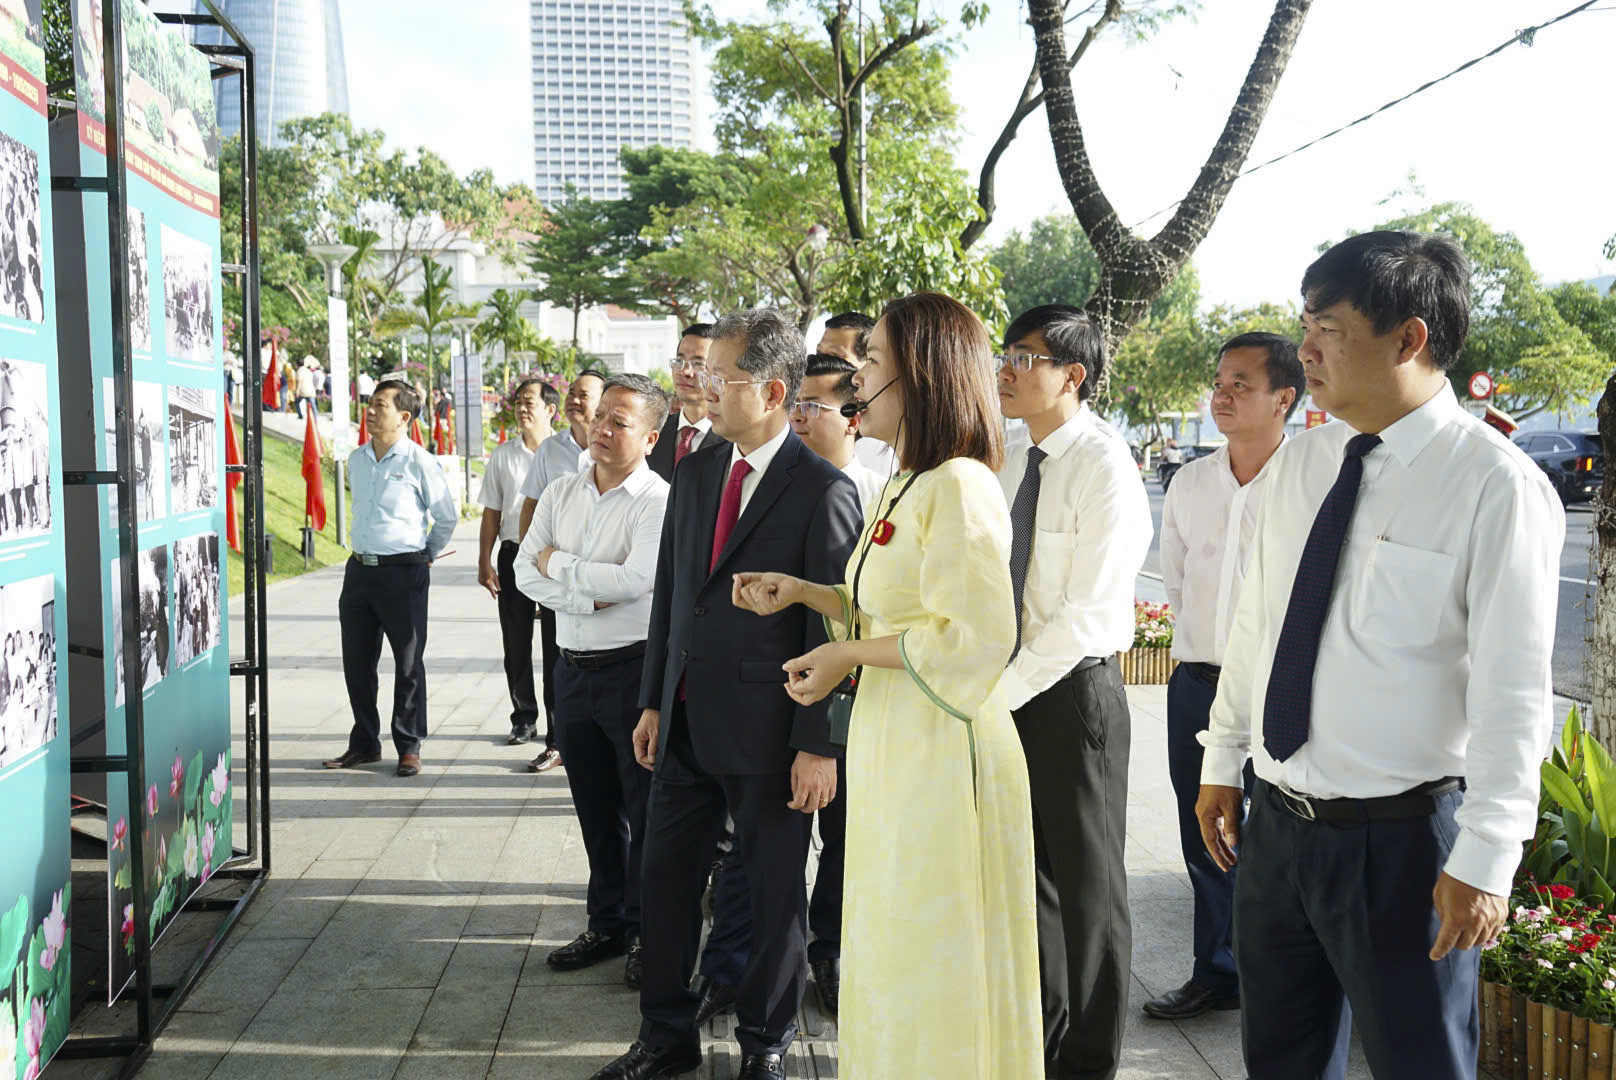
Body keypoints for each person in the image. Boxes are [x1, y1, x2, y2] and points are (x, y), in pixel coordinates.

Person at [1196, 231, 1564, 1080]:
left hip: (1401, 844)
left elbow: (1514, 692)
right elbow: (1258, 623)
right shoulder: (1304, 465)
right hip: (1280, 826)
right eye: (1304, 323)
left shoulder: (1494, 485)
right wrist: (1224, 757)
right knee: (1280, 1061)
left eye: (1328, 327)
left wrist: (1486, 857)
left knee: (1421, 1063)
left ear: (1409, 338)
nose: (1307, 349)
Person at [731, 292, 1043, 1079]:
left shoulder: (961, 485)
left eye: (872, 361)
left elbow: (971, 638)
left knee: (932, 939)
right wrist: (805, 594)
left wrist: (845, 658)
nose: (857, 377)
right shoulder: (905, 483)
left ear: (922, 373)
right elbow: (884, 610)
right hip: (895, 737)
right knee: (892, 927)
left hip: (943, 743)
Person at [590, 309, 861, 1080]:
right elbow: (675, 593)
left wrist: (818, 743)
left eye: (722, 376)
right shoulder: (701, 468)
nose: (703, 386)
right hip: (682, 722)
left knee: (776, 901)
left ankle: (766, 1045)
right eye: (704, 372)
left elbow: (829, 627)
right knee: (665, 885)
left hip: (774, 734)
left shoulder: (823, 490)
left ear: (773, 391)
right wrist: (651, 699)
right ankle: (664, 1037)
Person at [994, 304, 1153, 1080]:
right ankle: (1047, 1041)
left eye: (1026, 358)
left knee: (1091, 893)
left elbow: (1086, 613)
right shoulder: (1014, 458)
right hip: (1013, 691)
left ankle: (1091, 1060)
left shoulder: (1102, 465)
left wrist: (1001, 693)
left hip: (1072, 695)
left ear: (1073, 375)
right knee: (1035, 882)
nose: (1008, 370)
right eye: (1008, 354)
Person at [1146, 332, 1305, 1023]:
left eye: (1242, 383)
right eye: (1219, 381)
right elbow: (1178, 581)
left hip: (1281, 690)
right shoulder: (1191, 481)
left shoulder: (1310, 482)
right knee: (1204, 827)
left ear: (1285, 399)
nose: (1222, 394)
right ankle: (1217, 969)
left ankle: (1283, 977)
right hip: (1198, 683)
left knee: (1277, 834)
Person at [514, 374, 670, 991]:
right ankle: (605, 923)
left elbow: (636, 582)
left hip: (631, 673)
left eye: (620, 422)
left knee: (643, 811)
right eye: (601, 416)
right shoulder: (560, 490)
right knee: (594, 811)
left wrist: (563, 571)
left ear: (651, 437)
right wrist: (584, 590)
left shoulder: (656, 501)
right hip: (570, 673)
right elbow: (526, 570)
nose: (602, 429)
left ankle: (644, 934)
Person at [323, 381, 457, 778]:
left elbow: (446, 516)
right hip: (359, 571)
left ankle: (408, 745)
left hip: (404, 572)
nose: (370, 411)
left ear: (404, 417)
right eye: (369, 404)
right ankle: (364, 743)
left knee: (408, 663)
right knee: (357, 662)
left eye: (380, 405)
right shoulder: (358, 459)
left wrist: (425, 555)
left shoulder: (419, 461)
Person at [516, 369, 607, 771]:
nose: (574, 400)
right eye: (571, 392)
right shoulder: (550, 450)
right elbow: (531, 506)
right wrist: (532, 568)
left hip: (606, 577)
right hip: (557, 574)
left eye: (584, 394)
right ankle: (557, 740)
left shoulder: (616, 446)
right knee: (557, 658)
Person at [477, 378, 559, 747]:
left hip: (555, 558)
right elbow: (491, 511)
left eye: (530, 402)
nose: (523, 408)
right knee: (516, 641)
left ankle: (559, 722)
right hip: (513, 554)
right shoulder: (504, 456)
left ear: (550, 410)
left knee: (557, 643)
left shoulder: (565, 453)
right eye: (519, 402)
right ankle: (523, 717)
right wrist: (484, 560)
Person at [789, 353, 886, 513]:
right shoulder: (769, 487)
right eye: (793, 404)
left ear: (852, 421)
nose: (795, 416)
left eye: (812, 406)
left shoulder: (881, 498)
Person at [648, 323, 728, 480]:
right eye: (679, 360)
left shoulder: (732, 440)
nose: (685, 371)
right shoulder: (654, 432)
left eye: (698, 364)